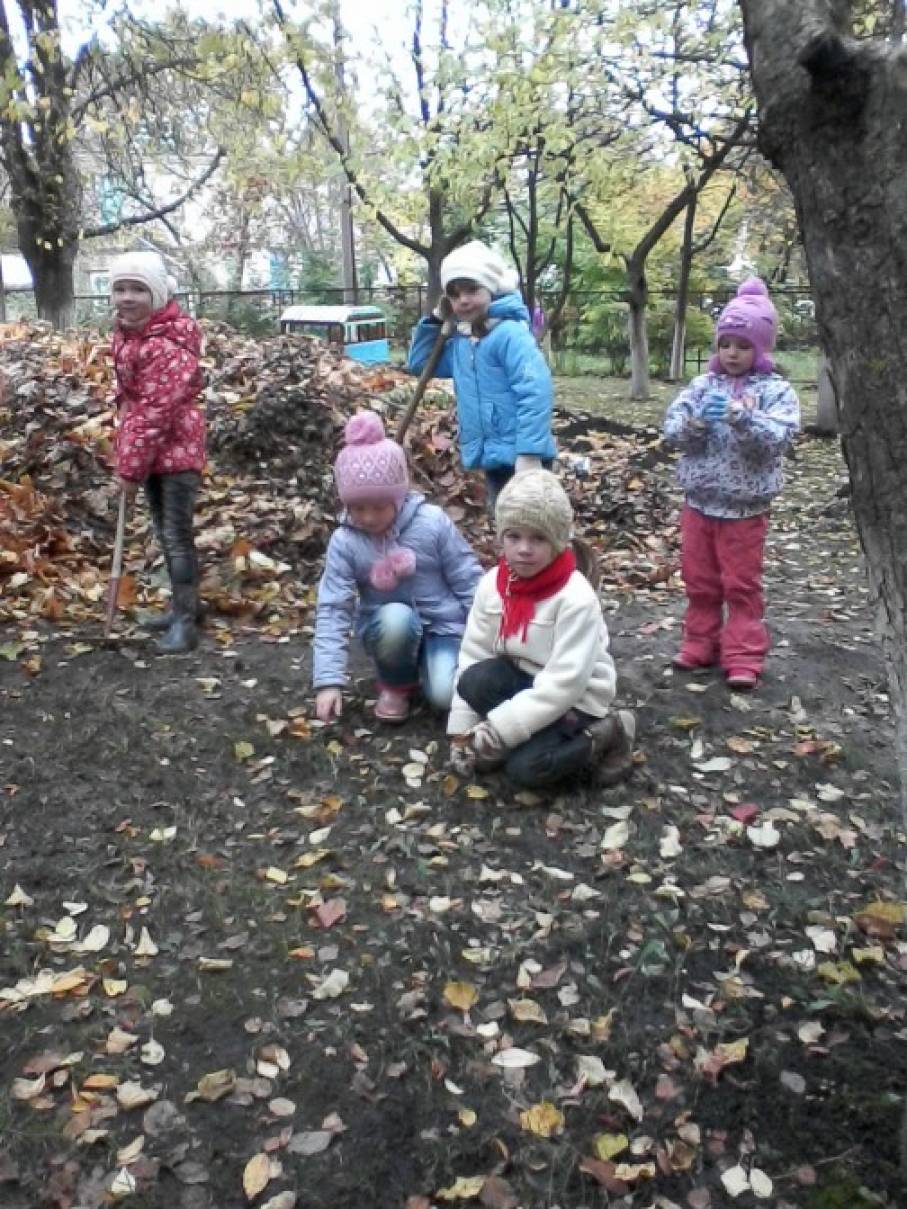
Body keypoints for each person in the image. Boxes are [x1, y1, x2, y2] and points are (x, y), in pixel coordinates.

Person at [447, 469, 635, 789]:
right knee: (474, 680)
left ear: (558, 542)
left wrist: (498, 729)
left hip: (576, 698)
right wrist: (463, 730)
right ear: (501, 537)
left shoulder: (575, 598)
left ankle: (609, 732)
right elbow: (473, 653)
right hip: (523, 679)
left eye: (538, 538)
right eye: (514, 536)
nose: (523, 549)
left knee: (527, 770)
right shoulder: (493, 585)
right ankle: (518, 735)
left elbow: (564, 684)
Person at [663, 277, 800, 690]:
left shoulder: (777, 391)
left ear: (760, 348)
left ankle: (742, 654)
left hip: (745, 509)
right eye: (726, 344)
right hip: (699, 502)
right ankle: (699, 642)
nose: (733, 353)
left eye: (743, 345)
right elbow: (671, 432)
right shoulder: (702, 386)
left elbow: (780, 439)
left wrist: (745, 419)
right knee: (699, 579)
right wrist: (697, 422)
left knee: (741, 585)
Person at [313, 411, 483, 724]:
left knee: (446, 696)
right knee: (396, 619)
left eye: (379, 506)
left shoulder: (431, 524)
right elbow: (334, 607)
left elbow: (467, 577)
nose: (368, 517)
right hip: (391, 630)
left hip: (443, 628)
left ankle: (434, 671)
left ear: (399, 496)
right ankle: (396, 683)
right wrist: (328, 681)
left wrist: (487, 637)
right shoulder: (346, 541)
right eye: (358, 507)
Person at [407, 240, 555, 510]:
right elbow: (420, 364)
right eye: (454, 294)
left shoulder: (510, 334)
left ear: (491, 287)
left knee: (535, 525)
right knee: (506, 526)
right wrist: (437, 320)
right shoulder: (463, 342)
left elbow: (535, 391)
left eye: (472, 289)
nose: (463, 300)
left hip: (523, 456)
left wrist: (530, 454)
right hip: (493, 455)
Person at [110, 250, 206, 654]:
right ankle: (184, 606)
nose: (127, 297)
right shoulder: (132, 335)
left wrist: (128, 471)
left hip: (176, 451)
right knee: (165, 532)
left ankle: (186, 623)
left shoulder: (168, 344)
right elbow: (133, 394)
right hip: (151, 451)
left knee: (176, 535)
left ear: (158, 295)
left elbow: (155, 411)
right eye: (120, 288)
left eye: (138, 289)